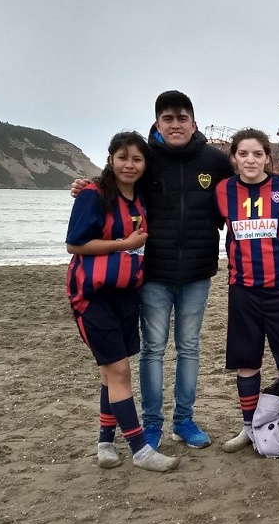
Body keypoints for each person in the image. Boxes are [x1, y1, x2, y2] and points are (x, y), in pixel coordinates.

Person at [72, 90, 233, 452]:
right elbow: (114, 183)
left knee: (189, 347)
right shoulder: (146, 158)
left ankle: (184, 421)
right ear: (157, 123)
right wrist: (85, 186)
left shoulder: (215, 160)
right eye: (167, 119)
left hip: (197, 271)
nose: (175, 125)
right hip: (153, 272)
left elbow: (242, 190)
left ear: (194, 122)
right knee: (153, 349)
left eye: (182, 118)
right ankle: (152, 424)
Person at [65, 131, 180, 472]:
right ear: (111, 159)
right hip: (93, 295)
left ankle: (105, 442)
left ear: (145, 164)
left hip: (128, 295)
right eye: (123, 157)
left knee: (109, 372)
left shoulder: (140, 198)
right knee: (119, 371)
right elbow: (74, 244)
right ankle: (140, 450)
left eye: (137, 159)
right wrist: (124, 244)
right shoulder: (93, 194)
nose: (129, 165)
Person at [216, 129, 279, 457]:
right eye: (243, 154)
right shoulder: (223, 191)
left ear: (267, 157)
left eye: (257, 154)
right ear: (234, 158)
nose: (250, 160)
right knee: (247, 362)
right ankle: (249, 427)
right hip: (243, 288)